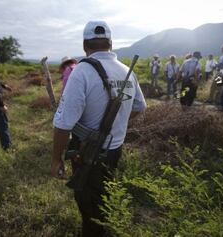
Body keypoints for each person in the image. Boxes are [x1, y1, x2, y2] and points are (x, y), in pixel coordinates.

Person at [51, 21, 147, 236]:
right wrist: (118, 124)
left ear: (85, 45)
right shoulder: (127, 71)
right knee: (104, 193)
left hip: (87, 151)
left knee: (88, 205)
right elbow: (140, 106)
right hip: (115, 150)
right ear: (111, 44)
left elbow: (63, 123)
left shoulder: (82, 71)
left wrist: (56, 159)